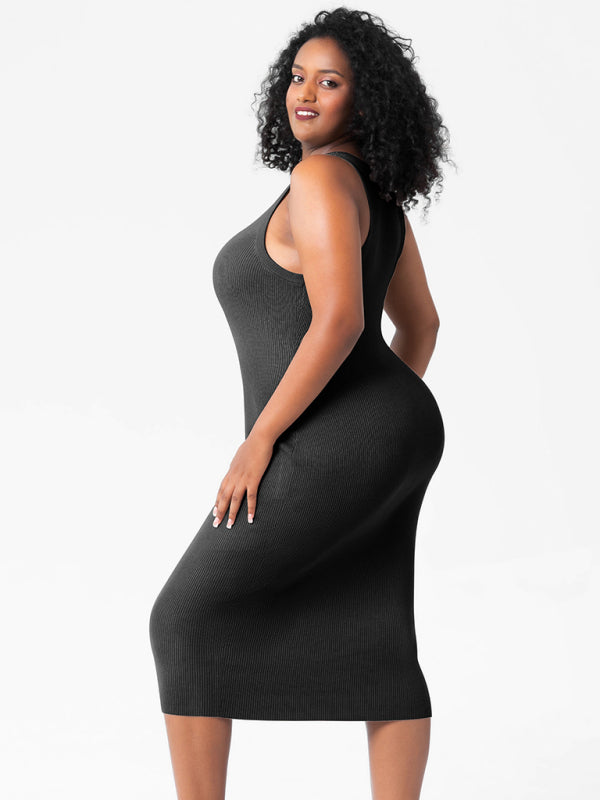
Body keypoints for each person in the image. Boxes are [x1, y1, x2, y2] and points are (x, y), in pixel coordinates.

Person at [149, 7, 455, 799]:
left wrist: (263, 441)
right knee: (376, 628)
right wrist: (386, 424)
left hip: (341, 432)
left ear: (365, 98)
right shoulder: (375, 195)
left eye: (331, 81)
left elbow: (342, 319)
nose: (305, 93)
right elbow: (420, 325)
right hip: (391, 428)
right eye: (297, 77)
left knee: (183, 617)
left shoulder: (319, 180)